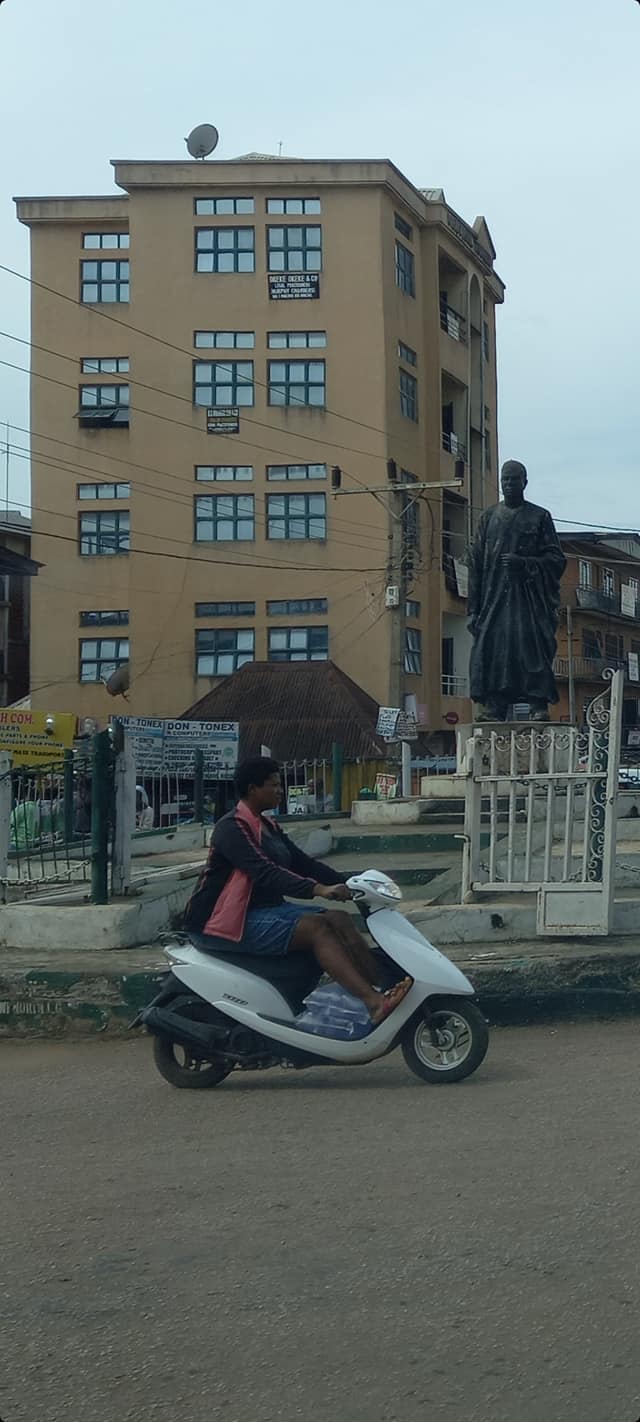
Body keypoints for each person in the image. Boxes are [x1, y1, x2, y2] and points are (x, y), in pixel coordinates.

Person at [183, 756, 411, 1025]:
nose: (280, 790)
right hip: (222, 923)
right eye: (273, 785)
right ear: (252, 789)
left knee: (339, 918)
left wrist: (353, 884)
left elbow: (304, 863)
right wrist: (318, 889)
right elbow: (264, 872)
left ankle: (384, 988)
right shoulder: (231, 828)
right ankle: (374, 1004)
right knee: (317, 928)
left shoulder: (268, 826)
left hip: (265, 912)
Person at [468, 460, 566, 721]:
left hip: (529, 601)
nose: (509, 484)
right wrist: (473, 609)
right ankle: (496, 706)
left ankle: (538, 705)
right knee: (493, 651)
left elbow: (556, 560)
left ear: (524, 482)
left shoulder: (539, 516)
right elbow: (475, 564)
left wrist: (525, 564)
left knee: (531, 649)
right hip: (494, 600)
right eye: (505, 480)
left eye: (514, 479)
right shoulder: (488, 518)